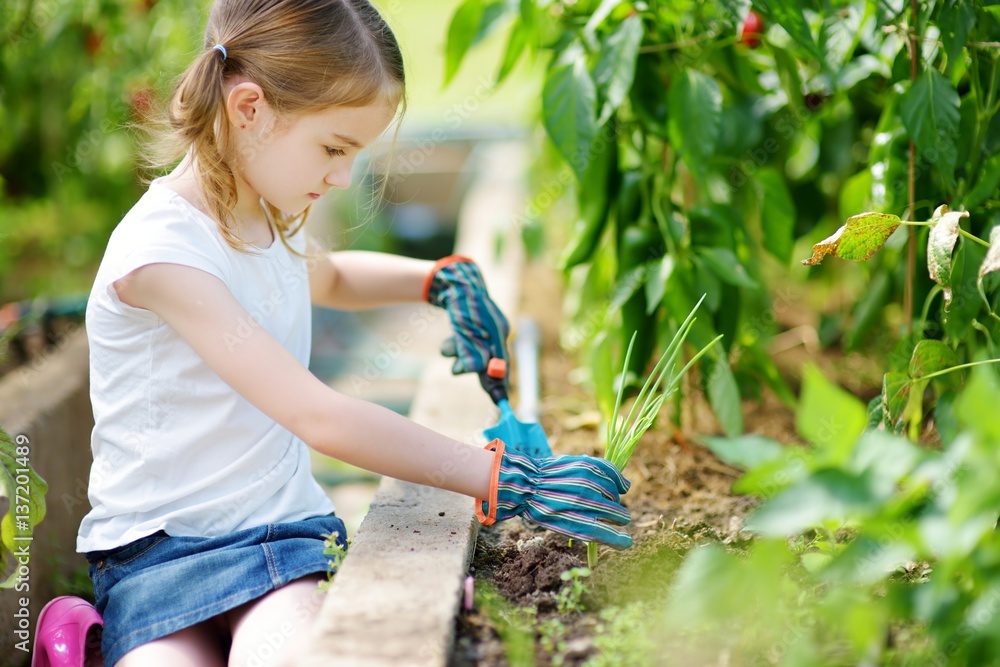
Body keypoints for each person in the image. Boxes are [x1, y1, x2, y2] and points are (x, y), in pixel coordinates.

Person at [30, 1, 632, 666]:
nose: (344, 176)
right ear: (248, 108)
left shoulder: (262, 210)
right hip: (158, 559)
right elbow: (318, 414)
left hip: (276, 544)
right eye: (333, 148)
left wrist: (435, 278)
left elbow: (331, 277)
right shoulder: (161, 257)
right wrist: (504, 478)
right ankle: (87, 637)